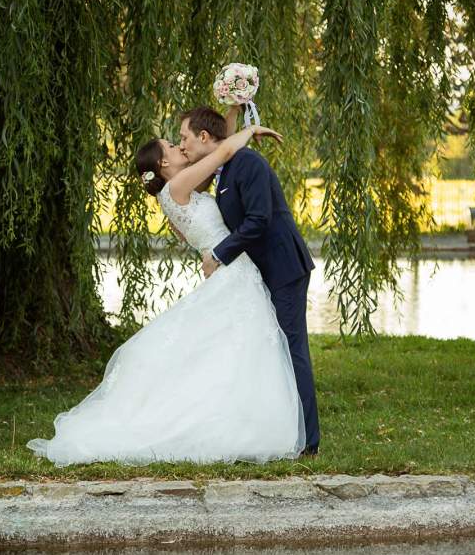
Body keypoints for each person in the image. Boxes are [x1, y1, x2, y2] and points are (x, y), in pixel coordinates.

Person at [26, 120, 306, 466]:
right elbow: (222, 151)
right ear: (163, 164)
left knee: (233, 352)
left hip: (233, 270)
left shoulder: (173, 194)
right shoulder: (177, 186)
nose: (179, 147)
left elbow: (219, 152)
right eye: (172, 147)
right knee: (242, 349)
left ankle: (246, 422)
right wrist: (252, 129)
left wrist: (233, 112)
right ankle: (247, 427)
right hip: (234, 273)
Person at [179, 106, 320, 455]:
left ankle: (309, 442)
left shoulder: (248, 165)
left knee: (292, 348)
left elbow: (258, 219)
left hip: (283, 267)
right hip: (261, 273)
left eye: (184, 137)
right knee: (272, 351)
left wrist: (218, 255)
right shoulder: (225, 171)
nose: (181, 145)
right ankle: (282, 431)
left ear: (204, 137)